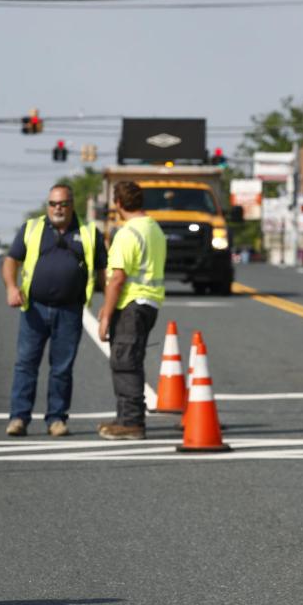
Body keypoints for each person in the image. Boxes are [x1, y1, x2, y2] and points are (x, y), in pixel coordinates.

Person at [2, 184, 106, 437]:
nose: (57, 208)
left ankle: (56, 419)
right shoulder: (32, 228)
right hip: (34, 309)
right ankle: (19, 418)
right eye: (53, 204)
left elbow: (104, 270)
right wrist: (11, 288)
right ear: (48, 205)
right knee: (26, 364)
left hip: (69, 311)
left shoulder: (90, 232)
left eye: (62, 204)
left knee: (62, 367)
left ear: (72, 205)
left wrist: (107, 306)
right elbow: (11, 260)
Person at [97, 181, 167, 441]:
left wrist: (105, 314)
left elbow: (117, 279)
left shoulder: (128, 234)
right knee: (130, 360)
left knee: (124, 362)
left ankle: (131, 422)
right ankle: (124, 416)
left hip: (131, 304)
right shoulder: (154, 228)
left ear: (118, 204)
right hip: (149, 303)